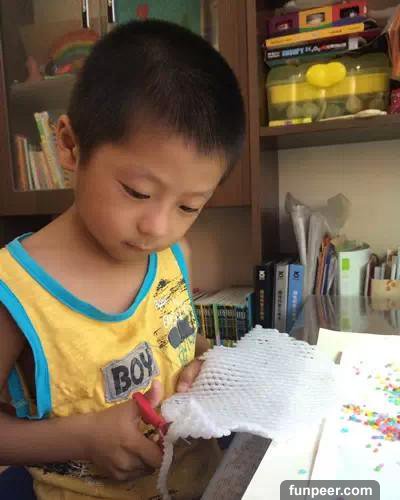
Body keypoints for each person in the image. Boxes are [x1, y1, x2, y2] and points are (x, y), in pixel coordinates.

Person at [0, 19, 245, 500]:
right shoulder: (15, 292)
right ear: (70, 146)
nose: (158, 227)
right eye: (137, 192)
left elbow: (179, 345)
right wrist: (83, 437)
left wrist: (203, 365)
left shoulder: (175, 256)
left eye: (188, 207)